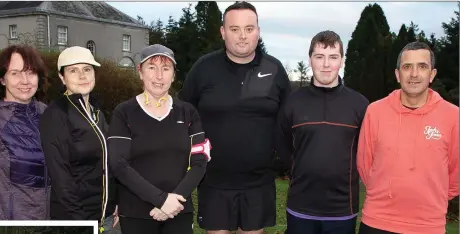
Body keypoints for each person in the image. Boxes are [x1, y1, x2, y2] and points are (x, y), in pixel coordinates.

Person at [179, 2, 291, 233]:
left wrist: (283, 162)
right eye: (234, 29)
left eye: (249, 29)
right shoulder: (204, 68)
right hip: (214, 181)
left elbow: (288, 122)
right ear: (223, 32)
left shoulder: (275, 69)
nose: (242, 36)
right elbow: (183, 116)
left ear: (258, 31)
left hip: (259, 182)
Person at [357, 42, 459, 234]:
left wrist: (430, 198)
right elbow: (364, 165)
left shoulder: (453, 116)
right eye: (407, 67)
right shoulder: (375, 112)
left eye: (422, 66)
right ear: (398, 75)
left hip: (428, 226)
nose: (414, 74)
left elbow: (456, 173)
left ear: (432, 74)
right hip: (377, 222)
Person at [107, 44, 209, 234]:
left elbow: (200, 162)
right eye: (152, 68)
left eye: (166, 68)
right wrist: (161, 200)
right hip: (136, 212)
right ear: (140, 72)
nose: (159, 76)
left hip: (179, 210)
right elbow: (119, 164)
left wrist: (174, 199)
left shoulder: (188, 112)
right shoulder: (124, 113)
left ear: (173, 74)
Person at [276, 30, 369, 234]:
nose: (326, 64)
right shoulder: (293, 103)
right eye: (319, 57)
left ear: (342, 61)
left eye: (333, 57)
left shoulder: (360, 105)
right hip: (300, 207)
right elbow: (281, 143)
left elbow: (367, 151)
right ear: (310, 60)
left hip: (343, 209)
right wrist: (298, 169)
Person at [39, 46, 118, 233]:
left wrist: (115, 201)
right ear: (62, 77)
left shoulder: (96, 112)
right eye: (73, 70)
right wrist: (81, 223)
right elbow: (61, 177)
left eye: (87, 69)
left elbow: (108, 161)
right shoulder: (57, 114)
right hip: (76, 219)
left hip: (103, 215)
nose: (82, 76)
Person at [0, 45, 50, 220]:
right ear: (2, 79)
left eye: (30, 72)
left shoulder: (47, 113)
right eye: (15, 73)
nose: (24, 80)